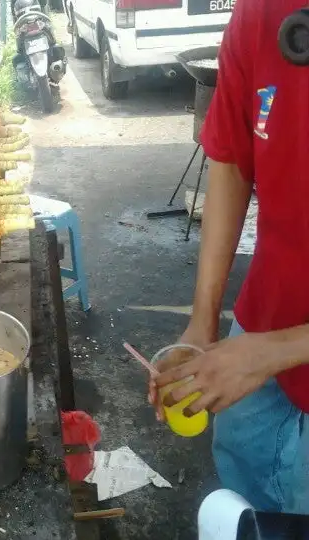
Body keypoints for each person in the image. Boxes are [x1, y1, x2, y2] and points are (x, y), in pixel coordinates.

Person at [148, 0, 309, 515]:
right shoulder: (261, 13)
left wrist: (274, 352)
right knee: (243, 490)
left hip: (269, 351)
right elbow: (234, 162)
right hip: (262, 322)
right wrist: (202, 322)